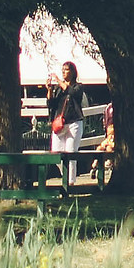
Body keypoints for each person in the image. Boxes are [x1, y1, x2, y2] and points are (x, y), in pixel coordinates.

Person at [47, 61, 91, 192]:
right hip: (60, 123)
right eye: (62, 70)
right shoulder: (58, 89)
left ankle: (70, 182)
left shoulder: (78, 87)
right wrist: (49, 89)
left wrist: (59, 80)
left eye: (66, 70)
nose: (64, 72)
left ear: (72, 72)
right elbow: (51, 104)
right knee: (56, 151)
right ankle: (64, 175)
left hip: (74, 122)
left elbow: (72, 93)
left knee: (71, 151)